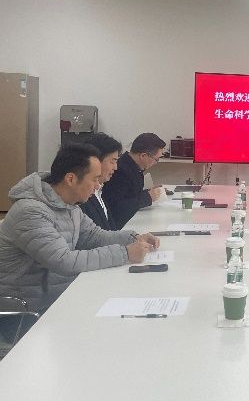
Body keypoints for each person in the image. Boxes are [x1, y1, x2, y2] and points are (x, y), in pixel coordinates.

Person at [0, 143, 159, 314]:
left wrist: (134, 238)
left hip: (59, 294)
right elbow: (64, 261)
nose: (98, 186)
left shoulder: (69, 204)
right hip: (28, 310)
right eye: (94, 179)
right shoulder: (30, 212)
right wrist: (125, 253)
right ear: (71, 179)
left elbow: (94, 236)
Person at [103, 132, 166, 228]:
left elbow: (131, 194)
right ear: (143, 156)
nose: (156, 163)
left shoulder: (134, 167)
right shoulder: (121, 171)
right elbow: (117, 205)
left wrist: (148, 192)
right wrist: (148, 197)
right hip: (120, 226)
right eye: (156, 159)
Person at [80, 133, 122, 230]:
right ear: (96, 161)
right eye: (112, 161)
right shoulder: (81, 197)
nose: (115, 167)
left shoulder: (100, 190)